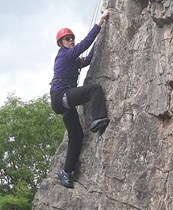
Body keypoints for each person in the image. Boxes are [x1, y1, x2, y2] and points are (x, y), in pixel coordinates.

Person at [50, 9, 112, 188]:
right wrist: (100, 22)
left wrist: (98, 41)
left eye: (71, 39)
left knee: (76, 136)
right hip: (60, 96)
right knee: (95, 89)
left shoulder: (72, 59)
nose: (71, 41)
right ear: (60, 43)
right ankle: (98, 118)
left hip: (63, 103)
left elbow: (88, 58)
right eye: (67, 39)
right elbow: (83, 45)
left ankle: (66, 172)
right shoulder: (63, 54)